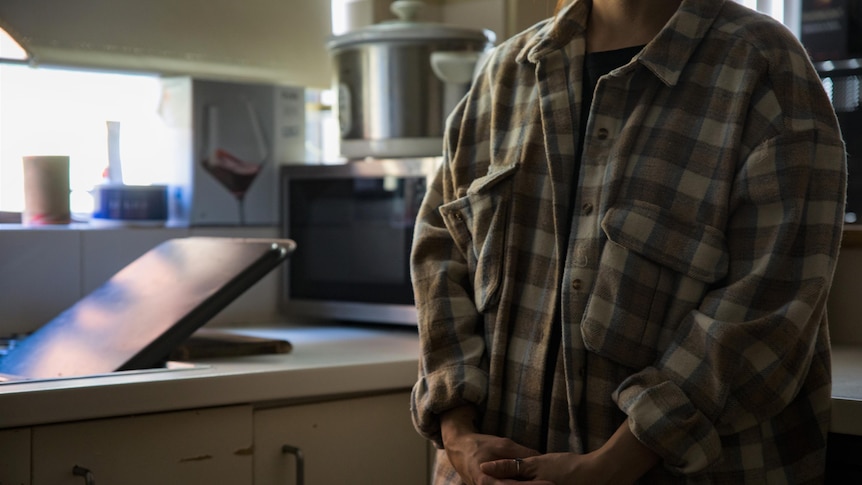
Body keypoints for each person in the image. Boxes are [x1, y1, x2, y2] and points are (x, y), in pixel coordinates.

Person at [409, 0, 847, 483]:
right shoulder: (503, 73)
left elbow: (771, 304)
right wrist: (458, 434)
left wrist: (614, 463)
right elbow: (440, 255)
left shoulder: (763, 65)